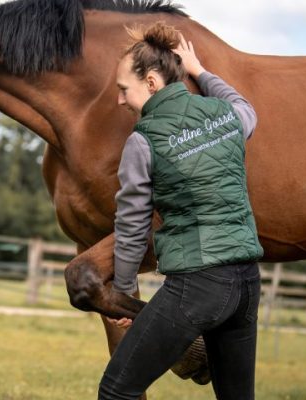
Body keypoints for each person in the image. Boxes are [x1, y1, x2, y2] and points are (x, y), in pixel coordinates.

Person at [98, 22, 264, 400]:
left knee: (116, 391)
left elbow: (132, 226)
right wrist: (200, 71)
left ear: (152, 83)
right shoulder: (225, 116)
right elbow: (246, 108)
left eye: (125, 90)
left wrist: (123, 293)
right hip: (246, 285)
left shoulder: (142, 141)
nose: (120, 100)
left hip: (197, 286)